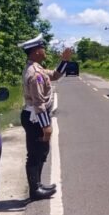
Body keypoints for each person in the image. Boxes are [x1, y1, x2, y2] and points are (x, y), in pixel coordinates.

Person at [18, 34, 73, 200]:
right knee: (35, 154)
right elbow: (39, 103)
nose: (45, 50)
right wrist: (46, 127)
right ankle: (35, 190)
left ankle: (38, 185)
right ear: (35, 52)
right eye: (42, 48)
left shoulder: (38, 68)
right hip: (35, 118)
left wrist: (64, 61)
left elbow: (55, 75)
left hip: (36, 117)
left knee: (42, 151)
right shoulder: (35, 73)